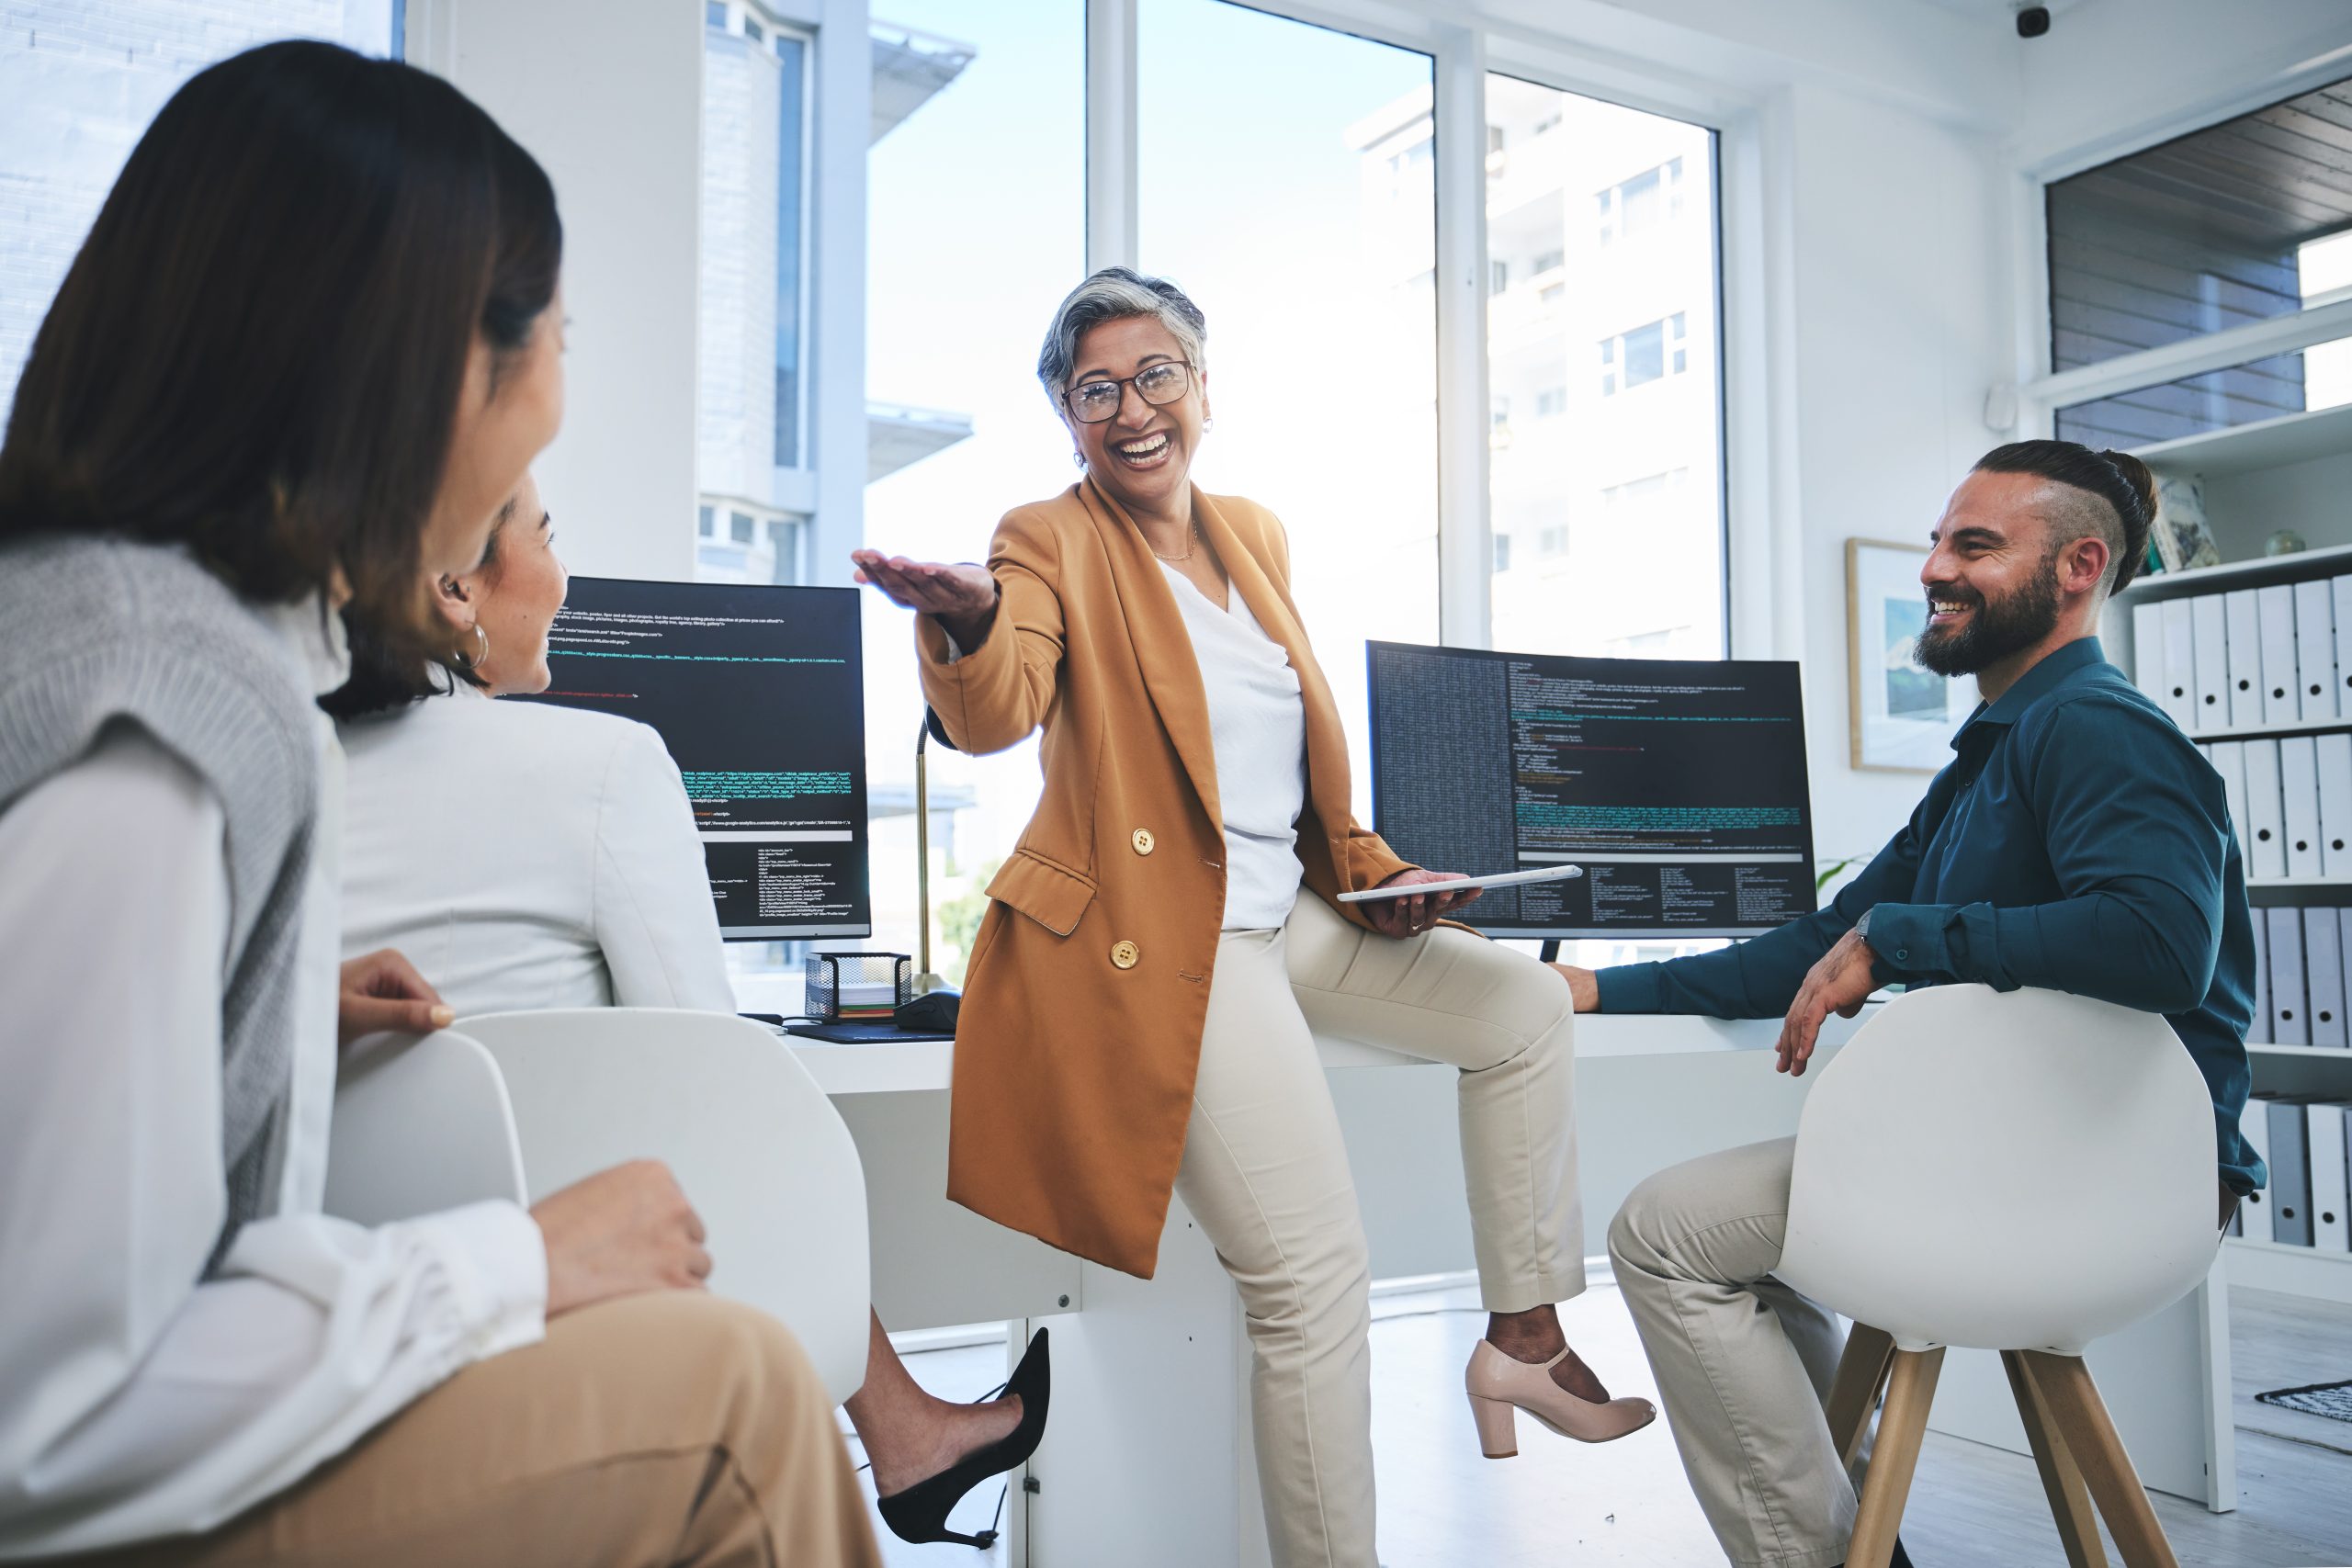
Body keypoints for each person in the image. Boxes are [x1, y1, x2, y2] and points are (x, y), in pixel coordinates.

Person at [0, 42, 878, 1567]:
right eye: (551, 336)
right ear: (420, 366)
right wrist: (516, 1260)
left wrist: (251, 1010)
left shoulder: (100, 630)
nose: (556, 399)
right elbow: (46, 1410)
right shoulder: (173, 708)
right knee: (737, 1388)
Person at [852, 265, 1654, 1568]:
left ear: (1203, 388)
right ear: (1067, 417)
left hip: (1290, 910)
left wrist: (1383, 874)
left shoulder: (1254, 534)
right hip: (1166, 931)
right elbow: (1001, 708)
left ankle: (1523, 1337)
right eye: (1095, 390)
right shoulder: (1044, 538)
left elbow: (1287, 771)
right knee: (1312, 1279)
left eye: (1154, 375)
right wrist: (969, 619)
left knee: (1518, 1005)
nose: (1131, 409)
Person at [1554, 439, 2262, 1568]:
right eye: (1936, 542)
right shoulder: (1989, 759)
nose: (1934, 568)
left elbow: (2160, 943)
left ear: (2078, 567)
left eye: (1973, 546)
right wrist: (1592, 988)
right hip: (2035, 1157)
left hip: (2119, 1176)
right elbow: (1819, 945)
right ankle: (1853, 1545)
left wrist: (1904, 935)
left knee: (1664, 1232)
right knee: (1729, 1236)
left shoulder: (2098, 726)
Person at [330, 470, 1050, 1549]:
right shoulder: (603, 764)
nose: (565, 581)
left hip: (360, 1337)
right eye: (546, 535)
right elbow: (714, 1072)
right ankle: (905, 1440)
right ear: (455, 589)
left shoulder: (276, 778)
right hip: (595, 1340)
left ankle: (907, 1437)